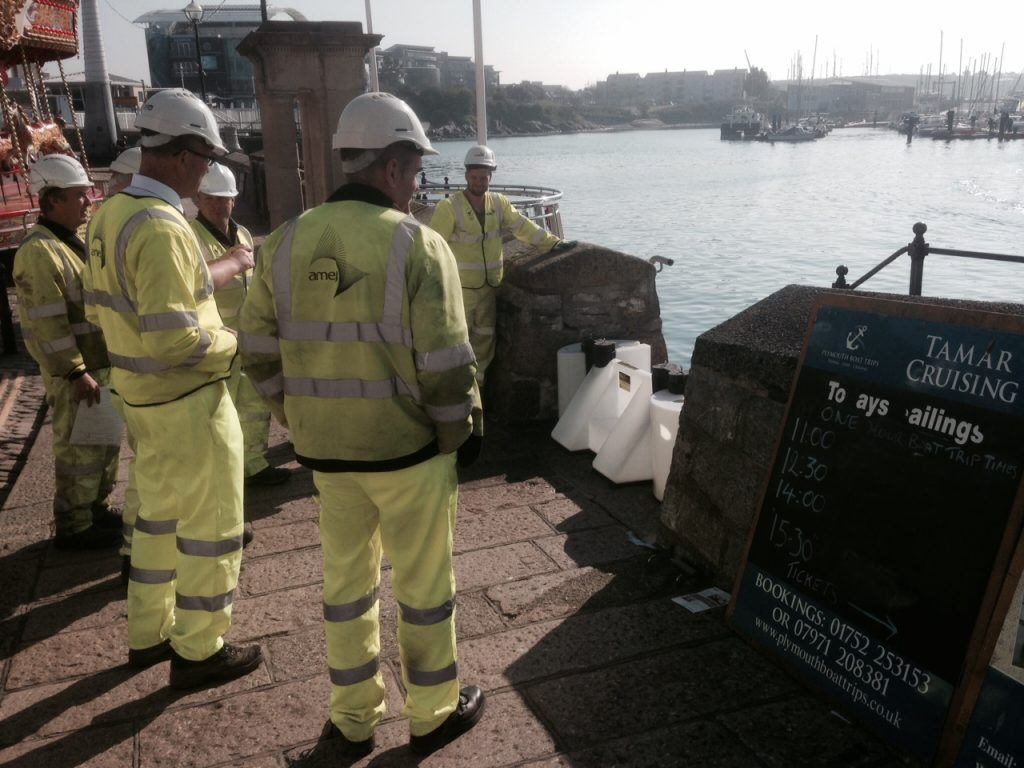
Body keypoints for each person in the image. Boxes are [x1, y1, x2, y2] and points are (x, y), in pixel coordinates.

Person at [239, 92, 484, 758]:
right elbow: (448, 367)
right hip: (407, 454)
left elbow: (254, 349)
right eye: (414, 171)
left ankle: (351, 718)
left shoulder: (284, 241)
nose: (417, 186)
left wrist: (298, 415)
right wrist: (453, 436)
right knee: (425, 589)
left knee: (345, 591)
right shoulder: (417, 244)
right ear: (394, 164)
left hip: (325, 457)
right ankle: (433, 711)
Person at [82, 88, 262, 689]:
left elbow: (119, 308)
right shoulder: (162, 226)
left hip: (141, 398)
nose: (210, 169)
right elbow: (175, 339)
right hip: (188, 402)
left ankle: (148, 635)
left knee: (155, 524)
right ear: (185, 154)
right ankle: (199, 649)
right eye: (208, 157)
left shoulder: (110, 214)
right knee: (212, 528)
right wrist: (235, 343)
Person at [13, 155, 121, 550]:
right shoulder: (39, 252)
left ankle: (96, 507)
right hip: (79, 373)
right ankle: (74, 524)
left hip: (98, 364)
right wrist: (75, 371)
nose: (87, 203)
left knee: (103, 443)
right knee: (79, 449)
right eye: (78, 196)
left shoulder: (69, 243)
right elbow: (46, 324)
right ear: (52, 200)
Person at [428, 145, 574, 432]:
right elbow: (432, 247)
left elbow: (523, 228)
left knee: (484, 345)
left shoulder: (499, 204)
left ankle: (476, 401)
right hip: (460, 291)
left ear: (490, 177)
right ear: (467, 175)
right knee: (458, 345)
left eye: (485, 176)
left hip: (488, 290)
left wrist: (553, 243)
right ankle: (453, 406)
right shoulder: (449, 208)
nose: (480, 181)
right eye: (475, 176)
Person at [191, 162, 288, 492]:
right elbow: (192, 287)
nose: (220, 205)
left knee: (255, 405)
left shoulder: (243, 234)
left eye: (226, 199)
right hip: (216, 340)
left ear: (235, 199)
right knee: (221, 410)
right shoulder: (190, 237)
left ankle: (254, 464)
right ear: (199, 198)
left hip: (247, 336)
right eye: (213, 198)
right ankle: (226, 470)